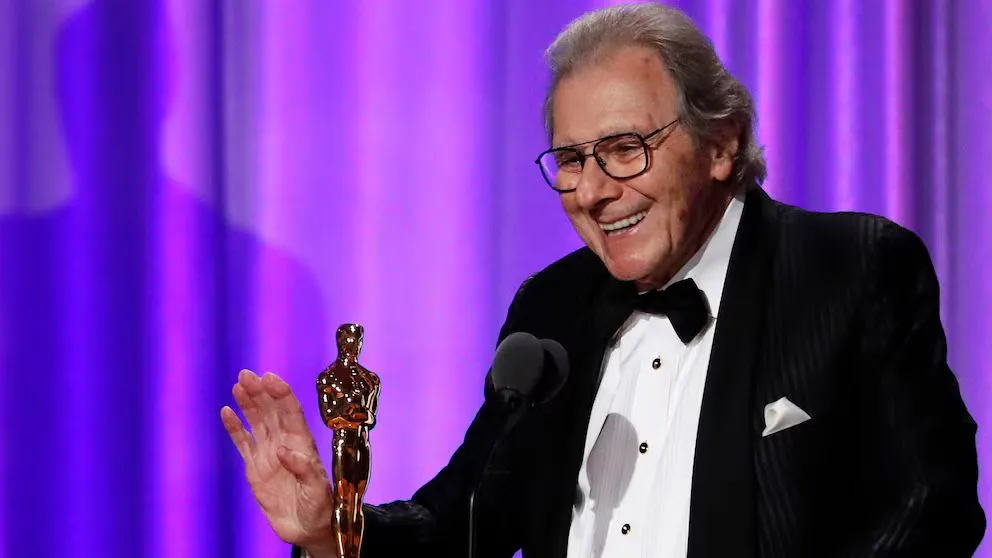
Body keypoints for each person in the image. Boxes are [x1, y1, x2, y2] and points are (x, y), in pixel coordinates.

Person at [220, 3, 985, 557]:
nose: (591, 191)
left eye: (624, 149)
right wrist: (334, 530)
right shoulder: (551, 307)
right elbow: (464, 519)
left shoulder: (846, 268)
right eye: (572, 159)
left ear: (722, 143)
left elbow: (931, 510)